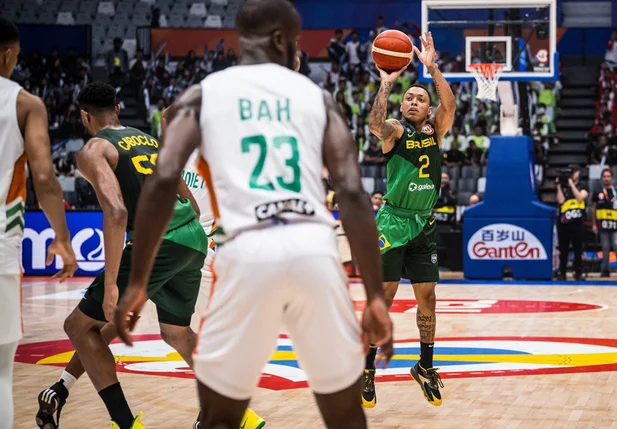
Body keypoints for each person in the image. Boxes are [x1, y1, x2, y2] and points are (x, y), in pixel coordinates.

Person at [113, 2, 394, 429]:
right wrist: (374, 295)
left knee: (220, 416)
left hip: (244, 251)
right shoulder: (318, 98)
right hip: (314, 251)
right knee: (345, 417)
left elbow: (164, 178)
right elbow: (353, 193)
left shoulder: (202, 94)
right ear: (281, 40)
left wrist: (137, 283)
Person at [35, 82, 207, 429]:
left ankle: (127, 425)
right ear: (117, 107)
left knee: (79, 326)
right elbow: (190, 200)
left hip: (157, 242)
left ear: (84, 116)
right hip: (192, 236)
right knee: (175, 333)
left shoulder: (94, 149)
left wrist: (111, 283)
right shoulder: (149, 139)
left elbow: (115, 212)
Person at [366, 31, 455, 407]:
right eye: (411, 98)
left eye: (421, 98)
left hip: (425, 223)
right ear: (402, 108)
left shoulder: (435, 132)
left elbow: (449, 106)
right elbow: (374, 125)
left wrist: (432, 68)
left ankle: (424, 366)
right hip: (392, 223)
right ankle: (367, 371)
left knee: (428, 299)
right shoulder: (395, 131)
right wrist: (386, 85)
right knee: (383, 300)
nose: (415, 101)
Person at [0, 17, 77, 428]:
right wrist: (61, 239)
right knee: (0, 374)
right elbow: (44, 177)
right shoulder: (24, 103)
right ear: (9, 54)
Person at [556, 166, 588, 281]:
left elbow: (580, 198)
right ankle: (562, 272)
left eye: (573, 172)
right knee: (563, 249)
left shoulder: (583, 186)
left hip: (577, 222)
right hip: (564, 222)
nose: (571, 174)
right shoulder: (564, 187)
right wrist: (559, 186)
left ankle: (578, 272)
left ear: (578, 173)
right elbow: (560, 200)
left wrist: (571, 184)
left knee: (577, 249)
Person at [591, 168, 617, 277]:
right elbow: (593, 209)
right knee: (605, 247)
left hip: (615, 224)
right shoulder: (597, 192)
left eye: (608, 176)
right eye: (604, 176)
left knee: (616, 245)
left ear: (612, 178)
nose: (606, 178)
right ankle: (605, 269)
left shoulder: (616, 191)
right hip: (603, 224)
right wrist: (593, 224)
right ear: (601, 178)